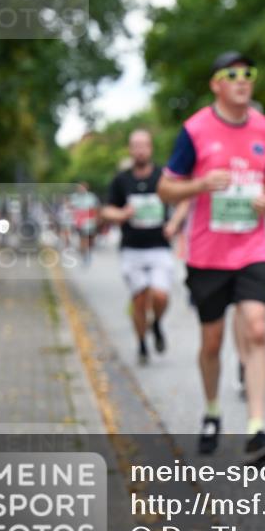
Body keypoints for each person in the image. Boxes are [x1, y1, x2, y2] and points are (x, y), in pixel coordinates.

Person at [158, 51, 265, 464]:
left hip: (252, 247)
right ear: (217, 84)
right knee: (211, 341)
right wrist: (199, 185)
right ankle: (212, 411)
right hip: (208, 253)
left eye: (249, 73)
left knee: (257, 327)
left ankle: (256, 429)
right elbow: (165, 189)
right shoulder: (194, 130)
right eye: (233, 74)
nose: (243, 80)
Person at [101, 129, 176, 366]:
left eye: (144, 145)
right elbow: (106, 210)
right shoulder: (121, 180)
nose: (140, 150)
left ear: (150, 148)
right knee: (140, 299)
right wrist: (122, 213)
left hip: (159, 247)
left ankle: (157, 324)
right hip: (131, 249)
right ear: (130, 149)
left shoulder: (163, 177)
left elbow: (183, 200)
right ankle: (142, 344)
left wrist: (174, 223)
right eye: (136, 145)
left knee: (160, 296)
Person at [71, 183, 99, 265]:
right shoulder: (74, 197)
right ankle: (84, 255)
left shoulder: (91, 197)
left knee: (90, 239)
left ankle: (88, 252)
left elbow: (95, 208)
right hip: (80, 222)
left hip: (90, 221)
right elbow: (72, 209)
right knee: (82, 238)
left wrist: (96, 219)